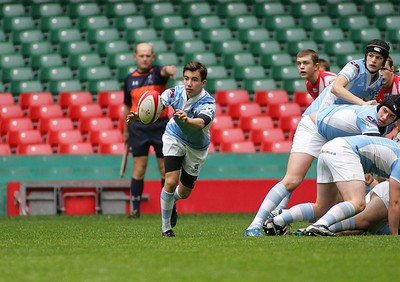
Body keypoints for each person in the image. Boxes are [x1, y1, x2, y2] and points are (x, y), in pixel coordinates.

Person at [244, 39, 390, 237]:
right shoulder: (355, 66)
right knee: (292, 180)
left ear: (384, 62)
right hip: (314, 124)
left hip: (336, 134)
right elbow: (337, 88)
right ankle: (255, 224)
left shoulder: (378, 81)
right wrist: (362, 104)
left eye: (378, 58)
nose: (373, 60)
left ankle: (280, 219)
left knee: (323, 206)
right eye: (371, 56)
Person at [127, 61, 216, 237]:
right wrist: (142, 115)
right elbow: (158, 104)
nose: (189, 83)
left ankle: (172, 200)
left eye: (194, 80)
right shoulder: (175, 92)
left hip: (196, 148)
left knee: (184, 192)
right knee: (170, 181)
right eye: (186, 78)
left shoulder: (208, 102)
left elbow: (200, 123)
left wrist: (187, 120)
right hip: (173, 137)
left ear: (203, 83)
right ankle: (166, 228)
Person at [264, 134, 400, 236]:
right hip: (345, 151)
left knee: (321, 207)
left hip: (329, 148)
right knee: (357, 203)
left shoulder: (394, 149)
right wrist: (394, 236)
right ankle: (320, 225)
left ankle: (278, 220)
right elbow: (394, 201)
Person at [123, 42, 177, 219]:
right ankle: (135, 209)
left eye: (148, 55)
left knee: (164, 169)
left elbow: (164, 71)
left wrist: (169, 70)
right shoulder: (129, 79)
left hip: (160, 126)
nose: (145, 58)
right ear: (135, 57)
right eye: (141, 55)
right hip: (137, 128)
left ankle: (167, 208)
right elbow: (126, 107)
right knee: (139, 168)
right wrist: (126, 130)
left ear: (152, 57)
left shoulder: (157, 74)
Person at [329, 181, 400, 235]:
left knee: (360, 225)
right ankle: (322, 227)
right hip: (387, 196)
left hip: (382, 223)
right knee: (361, 222)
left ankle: (323, 227)